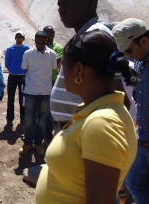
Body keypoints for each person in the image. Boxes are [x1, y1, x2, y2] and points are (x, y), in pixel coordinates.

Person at [36, 30, 138, 203]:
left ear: (78, 70)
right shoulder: (98, 113)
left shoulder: (102, 123)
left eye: (63, 67)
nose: (61, 72)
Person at [50, 0, 113, 131]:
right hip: (73, 126)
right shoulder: (87, 35)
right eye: (59, 5)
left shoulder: (96, 35)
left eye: (67, 3)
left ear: (89, 4)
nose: (61, 10)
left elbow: (109, 87)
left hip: (81, 128)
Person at [112, 18, 149, 204]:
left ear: (144, 41)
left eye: (129, 50)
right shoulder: (141, 63)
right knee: (133, 183)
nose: (128, 55)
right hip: (142, 138)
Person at [19, 31, 57, 156]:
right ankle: (28, 143)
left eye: (42, 42)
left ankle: (39, 144)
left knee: (42, 120)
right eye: (37, 42)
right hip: (30, 91)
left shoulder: (52, 54)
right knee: (29, 119)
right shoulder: (28, 54)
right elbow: (24, 68)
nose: (40, 45)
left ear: (47, 41)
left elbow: (53, 70)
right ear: (34, 41)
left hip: (46, 92)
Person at [42, 25, 63, 142]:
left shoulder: (58, 47)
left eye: (52, 32)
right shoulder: (39, 47)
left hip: (52, 80)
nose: (51, 34)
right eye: (48, 32)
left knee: (50, 107)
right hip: (39, 80)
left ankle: (48, 131)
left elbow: (56, 62)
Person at [5, 30, 30, 126]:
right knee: (10, 98)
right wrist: (12, 70)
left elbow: (29, 61)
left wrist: (25, 71)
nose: (19, 38)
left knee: (22, 98)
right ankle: (9, 118)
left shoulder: (27, 48)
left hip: (23, 77)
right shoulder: (10, 49)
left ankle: (23, 118)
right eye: (17, 37)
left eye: (21, 37)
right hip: (12, 76)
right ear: (15, 38)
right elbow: (7, 62)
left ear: (23, 38)